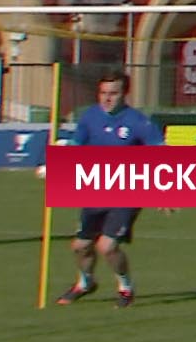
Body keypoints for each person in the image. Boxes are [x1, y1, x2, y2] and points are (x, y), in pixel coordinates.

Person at [56, 71, 164, 309]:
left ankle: (125, 288)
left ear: (124, 94)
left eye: (113, 93)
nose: (107, 98)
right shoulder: (89, 117)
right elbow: (76, 146)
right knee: (81, 246)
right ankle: (85, 283)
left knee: (107, 245)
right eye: (103, 93)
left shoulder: (138, 121)